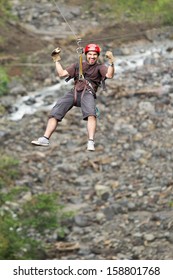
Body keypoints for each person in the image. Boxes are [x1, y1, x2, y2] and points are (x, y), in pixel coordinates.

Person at [31, 43, 115, 151]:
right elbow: (61, 73)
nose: (92, 57)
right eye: (90, 54)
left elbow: (109, 75)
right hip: (74, 92)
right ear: (86, 55)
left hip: (88, 92)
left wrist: (112, 63)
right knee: (55, 112)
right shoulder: (78, 65)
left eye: (94, 55)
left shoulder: (100, 67)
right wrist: (56, 59)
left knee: (91, 114)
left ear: (97, 56)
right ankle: (45, 138)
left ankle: (90, 141)